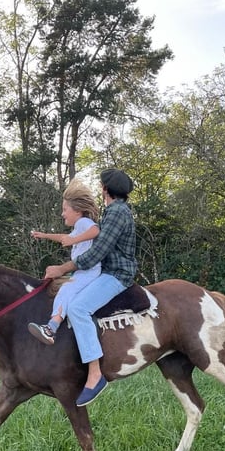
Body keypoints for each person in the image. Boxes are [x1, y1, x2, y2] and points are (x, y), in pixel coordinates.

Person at [41, 168, 137, 406]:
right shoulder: (113, 211)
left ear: (105, 190)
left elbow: (98, 252)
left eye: (101, 185)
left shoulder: (116, 212)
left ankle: (95, 375)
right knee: (68, 296)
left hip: (117, 274)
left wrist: (63, 269)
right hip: (105, 272)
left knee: (78, 309)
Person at [28, 179, 101, 345]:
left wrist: (75, 240)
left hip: (89, 271)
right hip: (82, 271)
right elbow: (63, 237)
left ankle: (51, 328)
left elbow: (95, 231)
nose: (62, 214)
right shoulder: (78, 227)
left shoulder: (84, 223)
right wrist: (44, 235)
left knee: (66, 290)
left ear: (77, 211)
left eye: (64, 209)